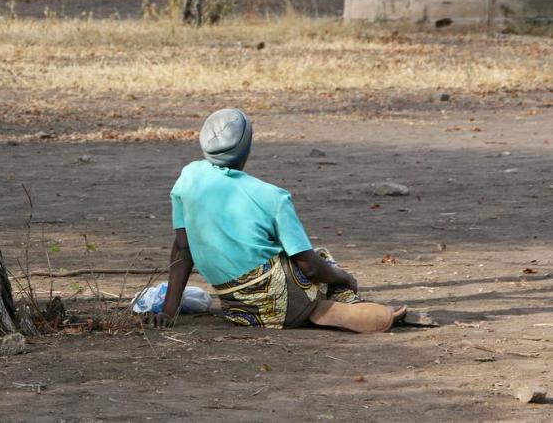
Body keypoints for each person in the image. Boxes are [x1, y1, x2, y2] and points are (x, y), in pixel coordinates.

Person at [153, 108, 406, 333]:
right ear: (247, 148)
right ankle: (333, 306)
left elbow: (182, 246)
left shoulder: (187, 178)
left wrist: (169, 309)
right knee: (323, 259)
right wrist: (344, 278)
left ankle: (316, 310)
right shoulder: (273, 197)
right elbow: (309, 267)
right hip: (286, 295)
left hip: (242, 311)